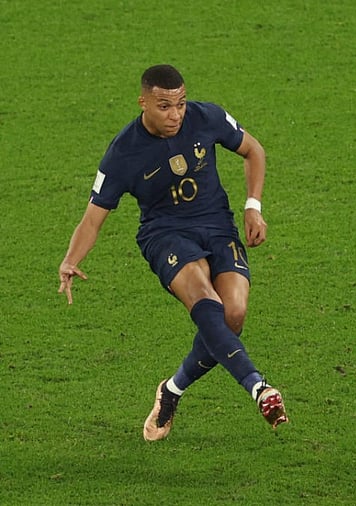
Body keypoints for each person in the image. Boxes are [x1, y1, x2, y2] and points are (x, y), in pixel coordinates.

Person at [58, 64, 288, 441]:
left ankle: (172, 390)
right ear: (143, 103)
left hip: (217, 226)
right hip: (165, 234)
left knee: (234, 314)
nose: (175, 115)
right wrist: (71, 260)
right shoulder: (122, 153)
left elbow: (253, 150)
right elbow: (92, 219)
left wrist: (253, 206)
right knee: (204, 298)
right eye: (164, 106)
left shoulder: (206, 116)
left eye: (179, 104)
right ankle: (259, 387)